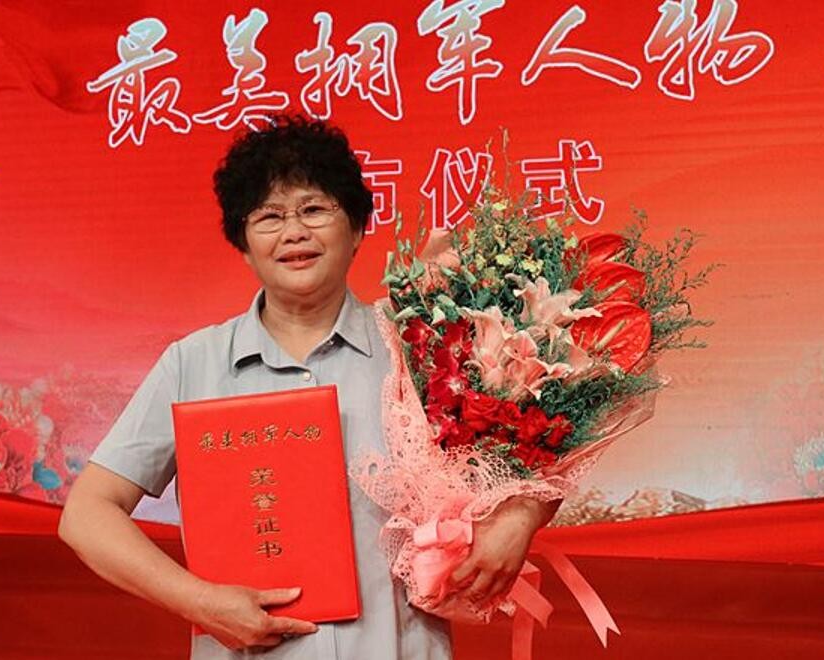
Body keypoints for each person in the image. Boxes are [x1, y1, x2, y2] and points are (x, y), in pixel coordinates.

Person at [58, 115, 559, 659]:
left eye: (315, 209)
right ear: (243, 244)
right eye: (269, 216)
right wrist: (199, 602)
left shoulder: (421, 347)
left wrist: (521, 516)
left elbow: (538, 445)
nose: (294, 232)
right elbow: (87, 515)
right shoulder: (193, 364)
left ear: (358, 229)